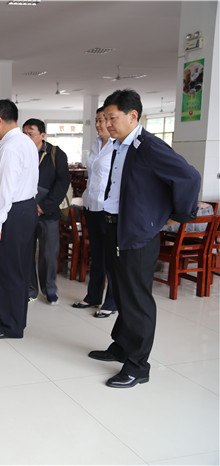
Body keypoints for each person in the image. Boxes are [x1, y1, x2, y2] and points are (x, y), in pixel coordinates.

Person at [88, 89, 200, 388]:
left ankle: (138, 366)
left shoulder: (148, 146)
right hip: (115, 226)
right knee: (122, 292)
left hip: (137, 233)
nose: (107, 124)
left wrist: (179, 214)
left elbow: (189, 177)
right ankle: (122, 346)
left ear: (133, 116)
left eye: (112, 118)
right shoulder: (120, 145)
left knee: (137, 299)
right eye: (105, 118)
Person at [0, 99, 39, 339]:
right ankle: (13, 316)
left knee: (7, 270)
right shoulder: (25, 142)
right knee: (19, 268)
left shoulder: (10, 148)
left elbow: (6, 190)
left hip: (11, 214)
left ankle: (12, 326)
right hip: (25, 210)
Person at [73, 107, 118, 317]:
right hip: (91, 205)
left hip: (108, 208)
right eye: (97, 120)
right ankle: (93, 296)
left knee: (111, 257)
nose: (99, 124)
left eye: (103, 120)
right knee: (97, 255)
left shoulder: (118, 147)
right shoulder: (96, 144)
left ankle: (112, 301)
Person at [22, 118, 70, 305]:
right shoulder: (20, 152)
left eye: (31, 133)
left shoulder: (56, 154)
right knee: (26, 251)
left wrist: (44, 206)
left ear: (42, 135)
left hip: (48, 211)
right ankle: (30, 289)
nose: (27, 137)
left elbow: (62, 183)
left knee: (49, 254)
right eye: (24, 133)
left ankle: (50, 289)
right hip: (25, 210)